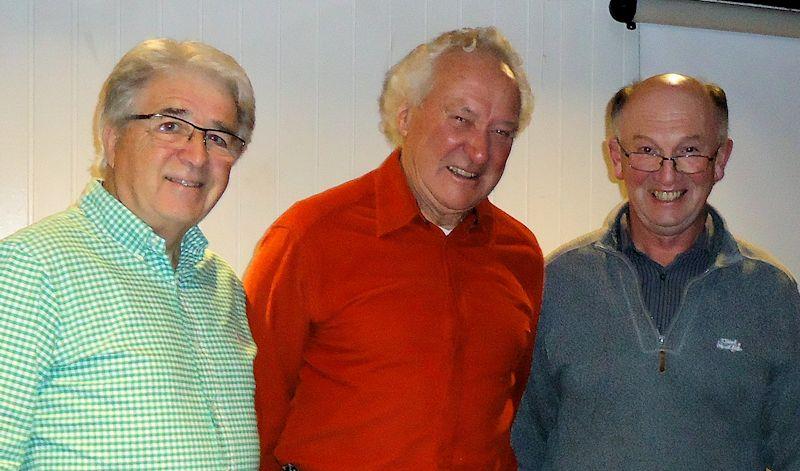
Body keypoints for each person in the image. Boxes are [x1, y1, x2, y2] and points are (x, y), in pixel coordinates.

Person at [244, 26, 543, 470]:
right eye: (461, 119)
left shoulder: (520, 255)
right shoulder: (309, 238)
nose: (480, 151)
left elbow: (507, 406)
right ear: (404, 117)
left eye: (502, 132)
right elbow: (255, 409)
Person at [512, 73, 800, 470]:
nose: (668, 175)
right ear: (616, 158)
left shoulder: (773, 296)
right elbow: (522, 447)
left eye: (690, 151)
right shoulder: (557, 284)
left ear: (721, 160)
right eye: (646, 149)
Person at [0, 38, 260, 469]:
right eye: (170, 126)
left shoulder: (222, 287)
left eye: (218, 138)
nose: (196, 156)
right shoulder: (32, 270)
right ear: (113, 137)